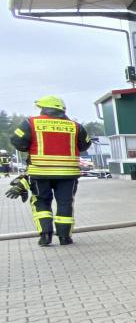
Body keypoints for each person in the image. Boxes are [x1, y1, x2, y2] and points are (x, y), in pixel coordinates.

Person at [9, 95, 90, 246]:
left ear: (45, 109)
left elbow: (16, 140)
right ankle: (65, 237)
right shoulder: (75, 126)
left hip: (40, 173)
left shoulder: (30, 123)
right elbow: (85, 144)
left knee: (41, 202)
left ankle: (45, 236)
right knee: (65, 203)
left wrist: (28, 148)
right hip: (67, 174)